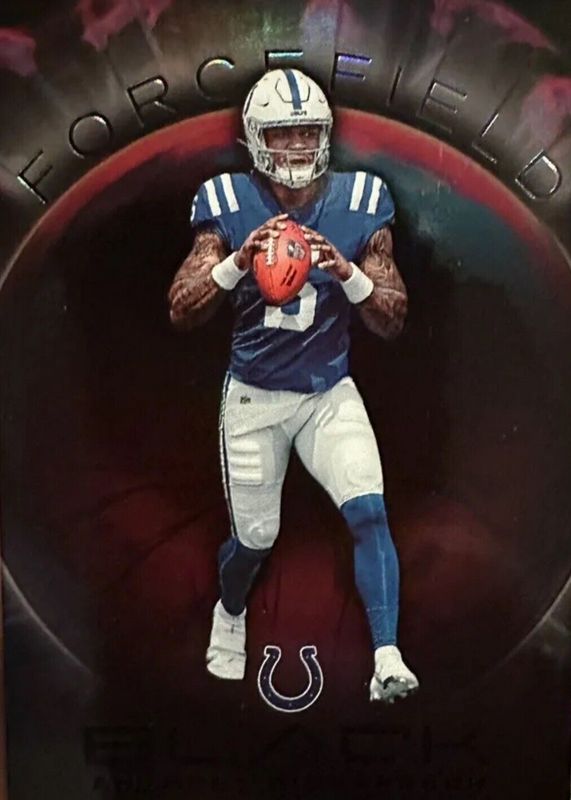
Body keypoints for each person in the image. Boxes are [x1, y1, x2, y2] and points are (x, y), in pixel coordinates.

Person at [168, 68, 418, 703]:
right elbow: (181, 307)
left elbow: (393, 317)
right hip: (255, 397)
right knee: (255, 540)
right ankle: (230, 612)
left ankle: (387, 658)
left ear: (327, 134)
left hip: (328, 391)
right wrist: (235, 262)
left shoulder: (362, 200)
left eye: (308, 131)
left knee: (369, 509)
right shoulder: (228, 201)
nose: (299, 145)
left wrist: (348, 273)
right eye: (283, 133)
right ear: (257, 138)